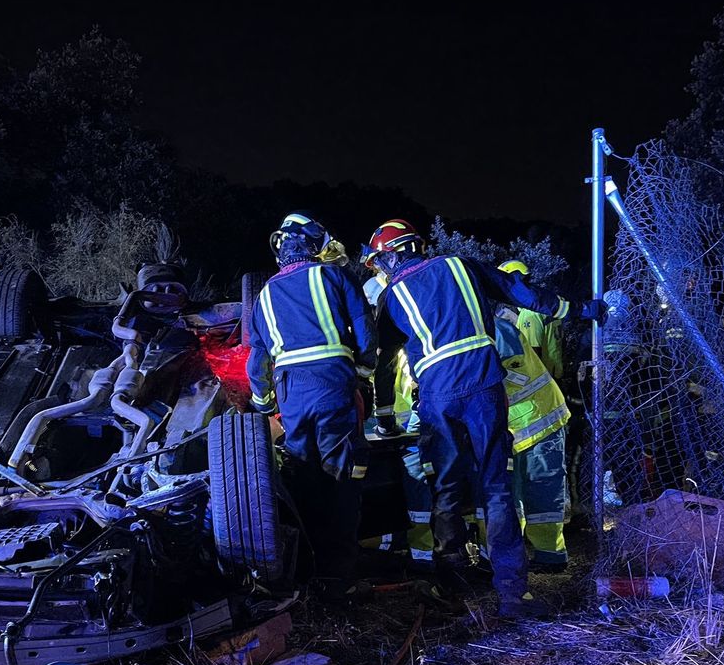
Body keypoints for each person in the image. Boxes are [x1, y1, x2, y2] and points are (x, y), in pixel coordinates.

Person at [364, 219, 605, 618]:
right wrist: (581, 309)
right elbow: (523, 294)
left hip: (438, 398)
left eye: (379, 263)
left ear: (389, 256)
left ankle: (451, 587)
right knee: (496, 489)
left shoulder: (391, 298)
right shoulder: (462, 265)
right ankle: (513, 594)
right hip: (483, 387)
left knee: (446, 490)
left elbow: (385, 366)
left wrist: (385, 418)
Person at [246, 212, 377, 601]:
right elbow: (364, 326)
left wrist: (263, 403)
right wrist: (364, 370)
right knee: (343, 477)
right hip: (333, 384)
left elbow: (258, 358)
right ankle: (340, 580)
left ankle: (307, 576)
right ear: (313, 245)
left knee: (304, 478)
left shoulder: (264, 296)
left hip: (291, 396)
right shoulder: (335, 276)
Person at [495, 304, 572, 572]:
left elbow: (506, 367)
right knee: (517, 493)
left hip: (539, 420)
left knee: (542, 490)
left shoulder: (498, 330)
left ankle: (550, 556)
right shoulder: (490, 328)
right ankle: (521, 557)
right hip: (519, 425)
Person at [499, 260, 565, 380]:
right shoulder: (546, 305)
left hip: (543, 378)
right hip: (555, 371)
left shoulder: (529, 314)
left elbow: (533, 353)